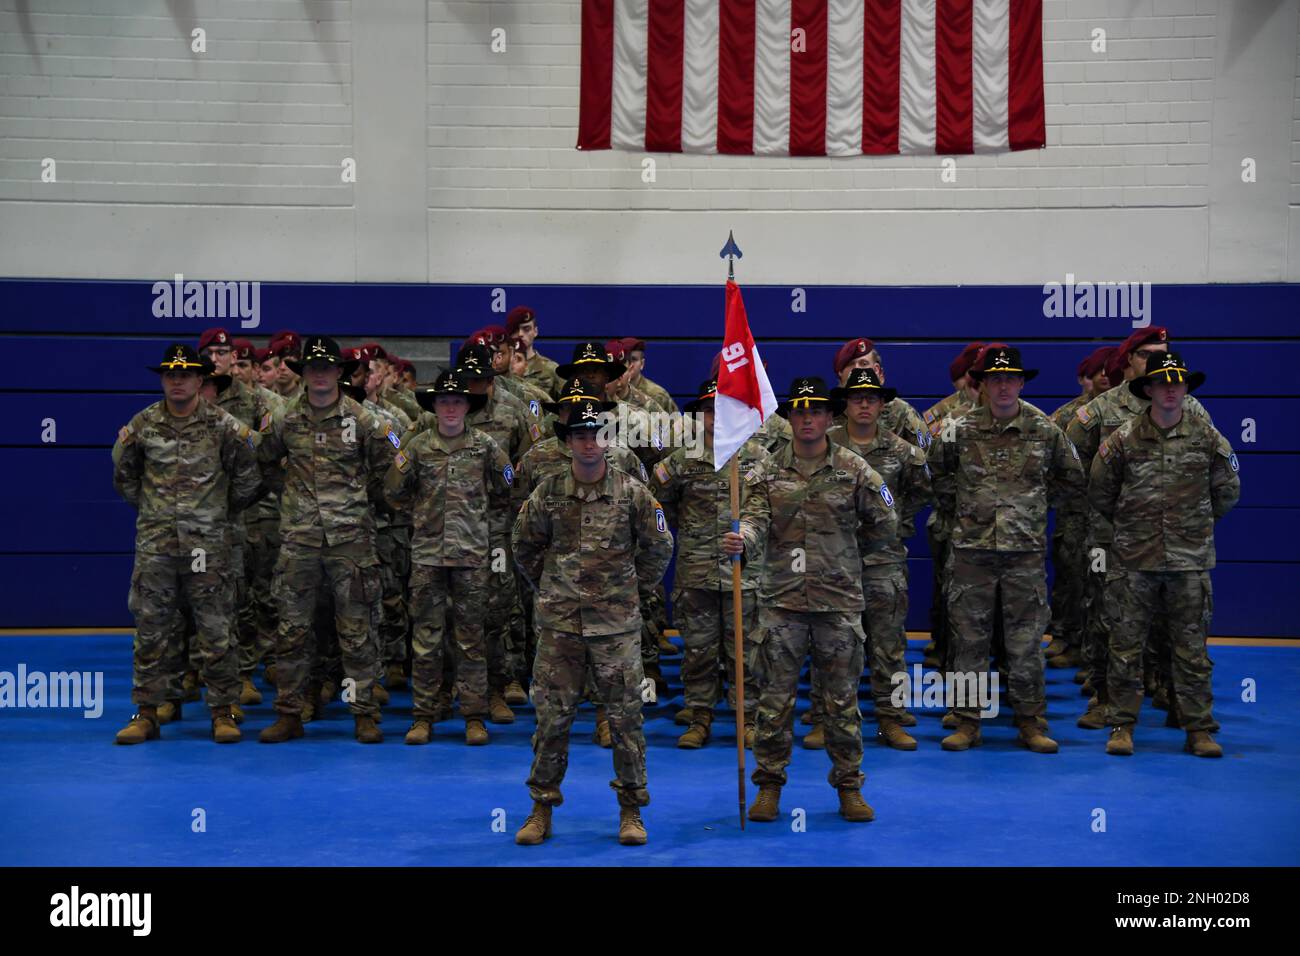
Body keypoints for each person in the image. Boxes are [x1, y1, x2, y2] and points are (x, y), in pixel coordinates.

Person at [722, 376, 898, 824]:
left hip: (837, 603)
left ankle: (849, 787)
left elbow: (885, 521)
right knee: (774, 702)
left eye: (815, 411)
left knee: (841, 702)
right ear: (790, 417)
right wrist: (743, 538)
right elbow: (756, 521)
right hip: (783, 602)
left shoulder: (855, 470)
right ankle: (768, 787)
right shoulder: (766, 472)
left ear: (828, 417)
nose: (807, 419)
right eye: (799, 411)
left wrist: (848, 560)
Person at [512, 398, 674, 846]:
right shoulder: (547, 491)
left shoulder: (633, 492)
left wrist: (630, 591)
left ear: (608, 440)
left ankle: (631, 810)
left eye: (596, 434)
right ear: (568, 443)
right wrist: (550, 589)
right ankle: (541, 808)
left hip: (616, 627)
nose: (588, 442)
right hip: (560, 626)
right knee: (551, 719)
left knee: (625, 721)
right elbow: (523, 545)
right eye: (579, 435)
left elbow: (660, 546)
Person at [927, 346, 1085, 753]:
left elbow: (1072, 479)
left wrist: (1032, 510)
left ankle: (1031, 721)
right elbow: (936, 476)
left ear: (1021, 383)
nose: (1002, 386)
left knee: (1026, 641)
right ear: (981, 384)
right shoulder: (957, 428)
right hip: (971, 554)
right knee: (968, 640)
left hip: (1024, 554)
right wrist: (966, 510)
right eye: (994, 379)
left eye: (1010, 378)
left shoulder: (1044, 429)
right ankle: (967, 721)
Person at [1088, 352, 1240, 757]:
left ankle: (1198, 729)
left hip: (1189, 563)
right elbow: (1101, 491)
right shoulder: (1123, 438)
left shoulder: (1208, 438)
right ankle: (1121, 725)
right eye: (1163, 383)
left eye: (1178, 383)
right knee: (1125, 646)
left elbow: (1227, 490)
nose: (1171, 389)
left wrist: (1193, 526)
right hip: (1135, 562)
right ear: (1149, 390)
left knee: (1191, 649)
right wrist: (1134, 528)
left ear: (1186, 389)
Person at [112, 345, 262, 744]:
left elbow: (248, 476)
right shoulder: (143, 425)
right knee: (152, 630)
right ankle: (146, 713)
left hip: (206, 548)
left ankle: (223, 711)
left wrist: (217, 513)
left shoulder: (222, 425)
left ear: (200, 380)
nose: (177, 382)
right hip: (157, 546)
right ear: (163, 380)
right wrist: (154, 512)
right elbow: (124, 476)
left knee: (216, 631)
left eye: (186, 375)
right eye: (170, 375)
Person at [255, 335, 395, 744]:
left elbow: (390, 468)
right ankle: (290, 713)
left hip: (350, 541)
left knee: (356, 630)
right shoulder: (284, 419)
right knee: (293, 630)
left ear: (338, 372)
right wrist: (292, 500)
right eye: (312, 368)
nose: (319, 375)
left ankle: (364, 713)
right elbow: (263, 461)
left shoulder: (363, 419)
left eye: (326, 368)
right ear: (304, 374)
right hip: (299, 540)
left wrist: (360, 504)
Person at [385, 370, 514, 746]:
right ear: (435, 407)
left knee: (471, 638)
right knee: (426, 637)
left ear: (467, 407)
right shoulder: (418, 447)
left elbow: (506, 487)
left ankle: (473, 716)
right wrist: (421, 516)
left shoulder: (486, 446)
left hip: (472, 555)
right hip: (428, 555)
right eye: (445, 401)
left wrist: (478, 521)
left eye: (458, 401)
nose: (452, 408)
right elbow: (393, 490)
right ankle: (423, 715)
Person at [815, 367, 933, 751]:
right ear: (844, 405)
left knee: (888, 645)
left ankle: (891, 720)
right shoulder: (823, 445)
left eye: (871, 398)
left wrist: (893, 526)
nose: (864, 404)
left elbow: (920, 493)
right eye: (856, 398)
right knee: (831, 646)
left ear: (883, 405)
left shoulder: (902, 452)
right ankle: (826, 719)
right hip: (832, 561)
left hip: (883, 560)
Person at [651, 378, 770, 750]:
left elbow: (764, 510)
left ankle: (747, 718)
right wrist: (689, 534)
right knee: (698, 651)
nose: (716, 417)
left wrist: (745, 536)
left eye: (724, 409)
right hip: (696, 573)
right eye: (709, 410)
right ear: (700, 415)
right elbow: (659, 503)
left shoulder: (756, 458)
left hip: (743, 574)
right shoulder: (681, 460)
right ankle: (699, 716)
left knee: (746, 651)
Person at [508, 305, 561, 398]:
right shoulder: (502, 367)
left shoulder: (551, 369)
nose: (520, 334)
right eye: (516, 329)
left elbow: (565, 407)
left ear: (535, 331)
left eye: (526, 329)